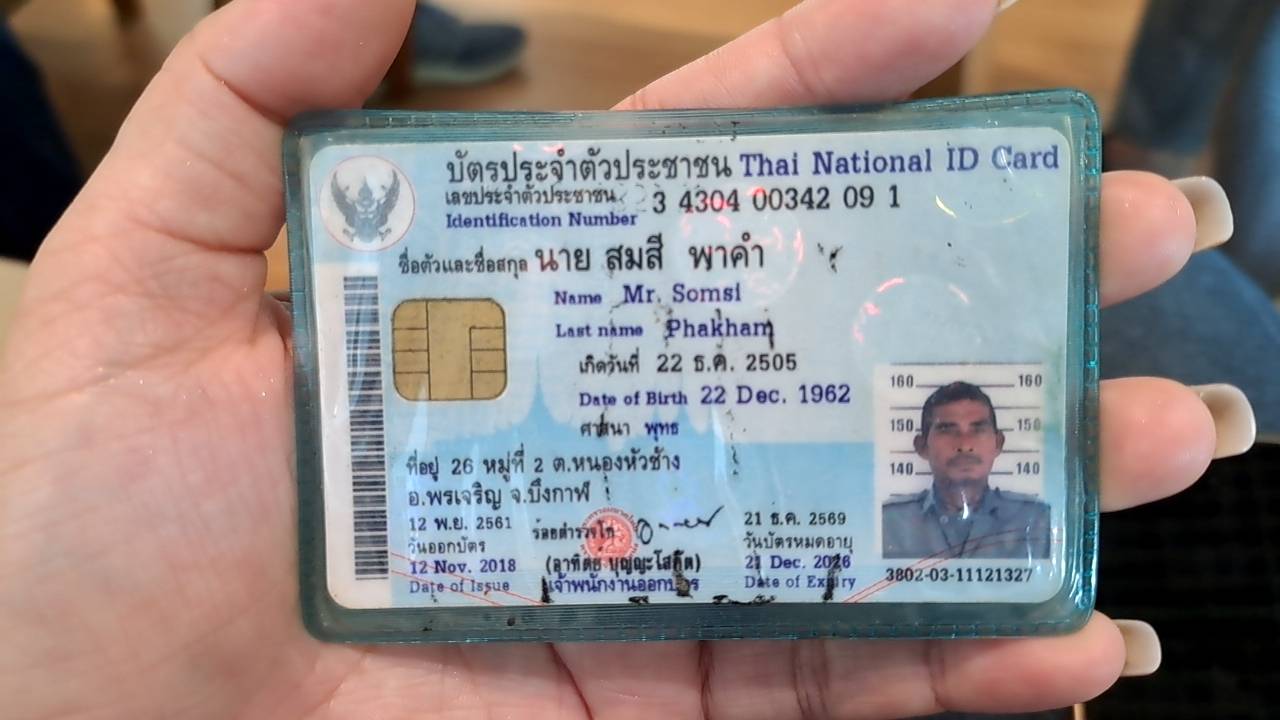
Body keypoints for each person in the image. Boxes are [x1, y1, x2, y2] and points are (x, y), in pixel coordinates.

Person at [0, 0, 1256, 716]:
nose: (966, 442)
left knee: (1173, 309)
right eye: (954, 426)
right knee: (1203, 313)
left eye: (974, 429)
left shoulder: (998, 528)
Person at [883, 382, 1050, 560]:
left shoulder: (1038, 520)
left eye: (978, 430)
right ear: (922, 446)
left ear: (998, 443)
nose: (964, 445)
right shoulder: (889, 523)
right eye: (947, 430)